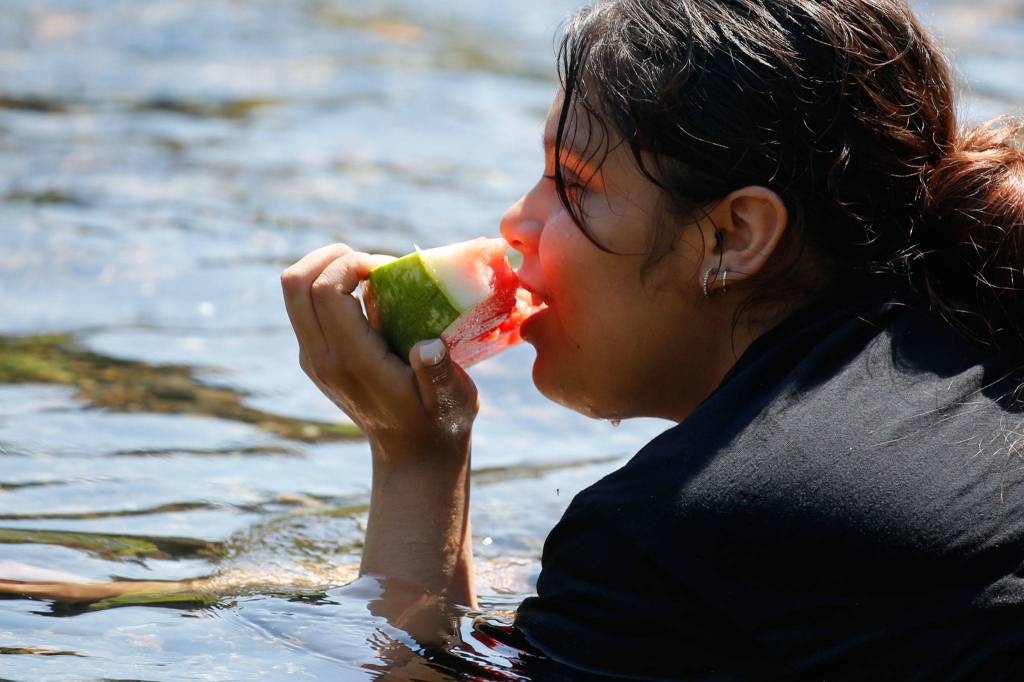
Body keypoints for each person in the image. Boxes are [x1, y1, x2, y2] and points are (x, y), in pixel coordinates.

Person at [283, 0, 1024, 677]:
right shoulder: (989, 330)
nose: (516, 221)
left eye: (570, 184)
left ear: (733, 237)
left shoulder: (675, 532)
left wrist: (413, 453)